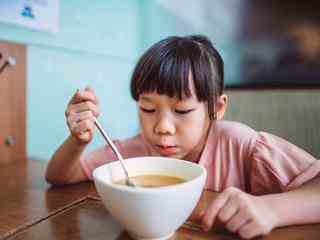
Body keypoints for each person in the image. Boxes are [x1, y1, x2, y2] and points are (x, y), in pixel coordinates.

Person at [45, 35, 320, 239]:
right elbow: (59, 176)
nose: (162, 127)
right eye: (148, 109)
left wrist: (271, 209)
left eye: (182, 110)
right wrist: (78, 141)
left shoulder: (242, 145)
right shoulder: (133, 152)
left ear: (217, 107)